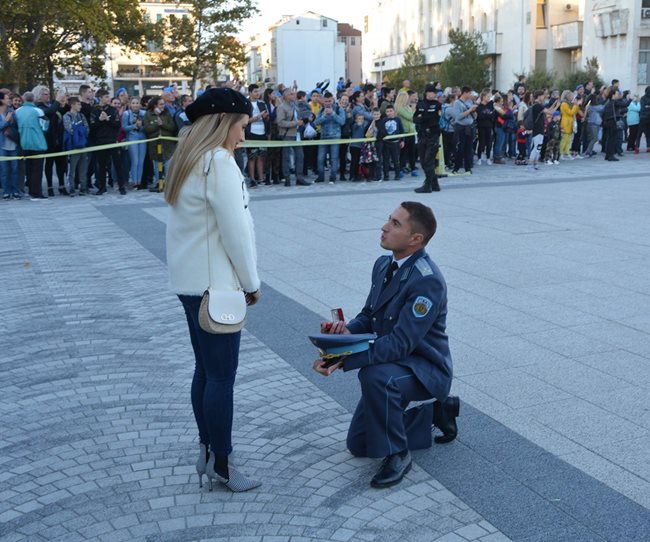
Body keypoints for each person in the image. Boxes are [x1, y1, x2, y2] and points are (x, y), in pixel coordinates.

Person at [312, 202, 459, 488]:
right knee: (359, 444)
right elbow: (369, 316)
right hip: (397, 363)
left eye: (395, 224)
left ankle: (398, 454)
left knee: (375, 376)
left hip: (424, 368)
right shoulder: (383, 264)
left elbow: (400, 344)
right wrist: (344, 334)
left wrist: (342, 358)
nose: (384, 226)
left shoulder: (427, 282)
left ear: (416, 239)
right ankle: (437, 412)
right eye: (388, 219)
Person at [165, 87, 262, 493]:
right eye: (241, 127)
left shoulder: (187, 160)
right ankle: (222, 461)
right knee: (221, 377)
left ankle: (208, 450)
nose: (243, 136)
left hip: (190, 283)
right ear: (223, 122)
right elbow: (235, 232)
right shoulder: (219, 163)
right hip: (216, 285)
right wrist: (251, 282)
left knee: (205, 372)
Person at [90, 89, 126, 195]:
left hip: (112, 140)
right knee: (101, 166)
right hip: (100, 141)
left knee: (117, 164)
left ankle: (121, 186)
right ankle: (102, 187)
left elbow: (117, 124)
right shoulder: (94, 110)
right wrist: (100, 120)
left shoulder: (112, 110)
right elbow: (92, 126)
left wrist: (107, 120)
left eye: (108, 96)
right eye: (106, 97)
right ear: (100, 98)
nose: (108, 98)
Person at [14, 91, 48, 199]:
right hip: (37, 143)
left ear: (23, 99)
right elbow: (44, 127)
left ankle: (29, 189)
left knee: (28, 169)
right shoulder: (38, 111)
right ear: (33, 99)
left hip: (23, 142)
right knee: (37, 169)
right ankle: (36, 192)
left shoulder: (17, 111)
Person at [276, 88, 310, 186]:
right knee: (286, 157)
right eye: (291, 94)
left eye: (294, 94)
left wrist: (302, 121)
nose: (294, 95)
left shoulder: (295, 105)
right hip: (287, 134)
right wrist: (295, 123)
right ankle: (287, 178)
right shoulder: (282, 107)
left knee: (300, 156)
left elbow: (298, 117)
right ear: (286, 96)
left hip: (297, 134)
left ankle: (299, 177)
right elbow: (280, 122)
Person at [413, 84, 442, 193]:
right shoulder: (420, 104)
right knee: (423, 162)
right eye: (430, 92)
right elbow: (415, 118)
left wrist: (423, 118)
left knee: (428, 161)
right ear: (426, 93)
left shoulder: (437, 105)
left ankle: (427, 185)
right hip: (422, 135)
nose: (432, 94)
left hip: (433, 136)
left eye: (434, 93)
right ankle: (434, 184)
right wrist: (423, 119)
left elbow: (435, 120)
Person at [143, 95, 176, 191]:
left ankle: (169, 183)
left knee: (168, 164)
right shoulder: (148, 114)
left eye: (163, 104)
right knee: (157, 165)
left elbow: (172, 127)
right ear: (155, 105)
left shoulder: (167, 113)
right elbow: (147, 129)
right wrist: (156, 125)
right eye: (161, 104)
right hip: (155, 144)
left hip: (167, 144)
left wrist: (163, 124)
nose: (163, 106)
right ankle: (159, 183)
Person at [315, 91, 345, 183]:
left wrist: (332, 113)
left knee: (334, 158)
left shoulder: (339, 109)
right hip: (323, 137)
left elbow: (342, 122)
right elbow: (316, 122)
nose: (328, 103)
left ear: (333, 100)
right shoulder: (321, 109)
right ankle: (321, 177)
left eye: (329, 101)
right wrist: (323, 116)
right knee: (320, 158)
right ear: (324, 101)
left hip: (335, 137)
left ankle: (333, 177)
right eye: (326, 101)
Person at [62, 97, 90, 195]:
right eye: (78, 104)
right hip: (73, 146)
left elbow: (86, 128)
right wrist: (79, 130)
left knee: (83, 168)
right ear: (72, 105)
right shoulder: (67, 116)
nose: (80, 106)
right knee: (72, 169)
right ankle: (72, 188)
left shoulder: (81, 116)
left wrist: (79, 130)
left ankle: (83, 187)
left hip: (83, 145)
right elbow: (69, 129)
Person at [244, 84, 269, 187]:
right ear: (250, 93)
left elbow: (267, 119)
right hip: (251, 133)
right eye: (255, 91)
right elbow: (245, 121)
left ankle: (261, 177)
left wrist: (266, 117)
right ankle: (252, 178)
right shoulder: (246, 104)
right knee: (252, 157)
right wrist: (258, 116)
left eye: (258, 91)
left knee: (261, 156)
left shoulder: (262, 103)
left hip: (262, 132)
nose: (257, 93)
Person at [0, 91, 21, 199]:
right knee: (4, 170)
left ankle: (16, 191)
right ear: (2, 100)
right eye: (7, 98)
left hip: (13, 144)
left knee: (15, 169)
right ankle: (6, 191)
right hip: (2, 145)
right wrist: (6, 121)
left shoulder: (12, 111)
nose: (10, 100)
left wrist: (12, 121)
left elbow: (18, 126)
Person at [121, 97, 147, 187]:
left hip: (143, 137)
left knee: (141, 161)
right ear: (130, 104)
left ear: (140, 104)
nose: (135, 105)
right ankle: (134, 181)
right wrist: (135, 125)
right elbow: (124, 127)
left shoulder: (144, 113)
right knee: (135, 160)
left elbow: (146, 127)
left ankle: (139, 181)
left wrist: (141, 127)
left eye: (137, 103)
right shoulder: (126, 114)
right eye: (133, 103)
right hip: (132, 137)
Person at [452, 86, 477, 174]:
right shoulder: (457, 103)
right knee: (460, 148)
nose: (471, 95)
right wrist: (470, 110)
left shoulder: (470, 102)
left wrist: (474, 111)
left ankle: (468, 168)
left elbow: (474, 117)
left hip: (470, 127)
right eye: (469, 93)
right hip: (461, 128)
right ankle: (456, 168)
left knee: (469, 149)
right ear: (465, 93)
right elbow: (458, 117)